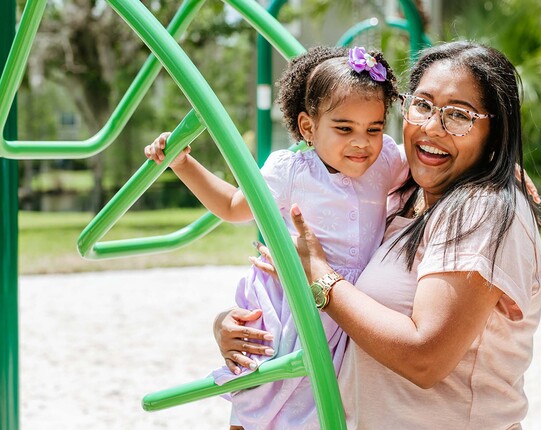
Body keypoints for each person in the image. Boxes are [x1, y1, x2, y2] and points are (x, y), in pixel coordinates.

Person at [218, 41, 541, 429]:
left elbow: (425, 358)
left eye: (458, 116)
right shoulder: (399, 200)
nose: (431, 127)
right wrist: (235, 328)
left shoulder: (482, 209)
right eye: (422, 105)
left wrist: (319, 275)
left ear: (496, 130)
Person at [145, 46, 405, 429]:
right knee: (266, 393)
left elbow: (433, 166)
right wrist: (184, 164)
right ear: (308, 127)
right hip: (293, 300)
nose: (361, 142)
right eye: (344, 128)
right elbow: (234, 206)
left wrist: (505, 173)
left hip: (346, 303)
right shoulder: (291, 170)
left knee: (329, 405)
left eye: (375, 128)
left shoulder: (386, 160)